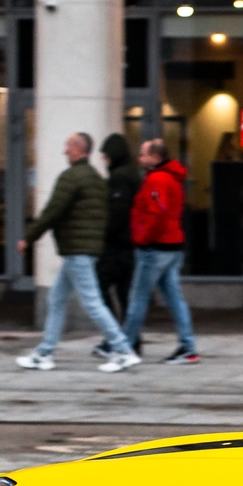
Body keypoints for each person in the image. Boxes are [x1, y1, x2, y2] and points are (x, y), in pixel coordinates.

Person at [16, 132, 139, 372]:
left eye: (68, 146)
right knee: (56, 298)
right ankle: (44, 352)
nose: (64, 151)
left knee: (92, 303)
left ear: (79, 149)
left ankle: (123, 350)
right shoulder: (96, 178)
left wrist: (29, 238)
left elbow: (52, 212)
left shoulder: (71, 177)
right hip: (86, 249)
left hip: (76, 250)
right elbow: (104, 215)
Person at [125, 138, 200, 365]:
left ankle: (123, 347)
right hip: (172, 246)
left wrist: (141, 238)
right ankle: (188, 347)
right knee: (174, 298)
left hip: (156, 248)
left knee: (138, 298)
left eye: (143, 154)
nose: (140, 158)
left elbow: (156, 214)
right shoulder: (171, 178)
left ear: (155, 157)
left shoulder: (156, 179)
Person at [94, 131, 143, 348]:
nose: (104, 161)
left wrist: (103, 236)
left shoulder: (120, 178)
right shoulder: (132, 174)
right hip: (130, 244)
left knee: (100, 287)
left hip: (117, 246)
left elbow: (118, 214)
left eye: (105, 156)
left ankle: (116, 337)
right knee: (125, 294)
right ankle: (131, 339)